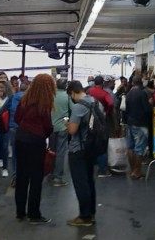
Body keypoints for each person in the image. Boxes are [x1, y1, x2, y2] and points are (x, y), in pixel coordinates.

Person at [14, 74, 54, 224]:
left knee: (21, 175)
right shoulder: (45, 103)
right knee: (36, 177)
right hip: (36, 141)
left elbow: (17, 118)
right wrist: (44, 134)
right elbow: (48, 126)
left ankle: (20, 212)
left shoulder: (24, 99)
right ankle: (34, 214)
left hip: (20, 138)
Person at [65, 80, 98, 227]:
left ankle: (84, 217)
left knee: (80, 183)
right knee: (89, 181)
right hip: (91, 147)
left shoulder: (79, 107)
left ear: (73, 92)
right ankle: (91, 213)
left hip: (78, 149)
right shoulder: (94, 102)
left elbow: (72, 130)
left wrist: (67, 124)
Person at [124, 76, 151, 179]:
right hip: (140, 124)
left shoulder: (129, 93)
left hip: (130, 123)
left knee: (130, 147)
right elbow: (147, 110)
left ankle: (132, 170)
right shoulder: (142, 93)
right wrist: (150, 104)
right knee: (139, 149)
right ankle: (137, 172)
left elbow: (126, 109)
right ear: (141, 83)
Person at [87, 76, 113, 177]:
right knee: (102, 145)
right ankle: (103, 170)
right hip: (101, 121)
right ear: (102, 83)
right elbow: (110, 103)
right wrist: (107, 111)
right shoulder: (105, 94)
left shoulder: (89, 91)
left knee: (92, 142)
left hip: (89, 120)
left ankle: (92, 163)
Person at [49, 78, 72, 187]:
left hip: (51, 128)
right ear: (65, 86)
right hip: (63, 127)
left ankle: (51, 173)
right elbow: (72, 110)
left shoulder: (51, 96)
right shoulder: (67, 97)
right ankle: (57, 177)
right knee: (61, 153)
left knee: (52, 151)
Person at [8, 78, 28, 183]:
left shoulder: (13, 97)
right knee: (26, 152)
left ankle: (15, 176)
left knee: (15, 152)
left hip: (13, 126)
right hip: (26, 128)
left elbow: (5, 110)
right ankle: (25, 175)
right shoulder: (30, 99)